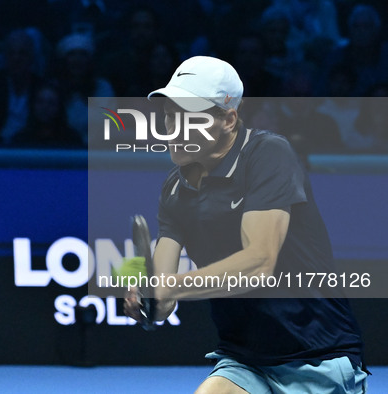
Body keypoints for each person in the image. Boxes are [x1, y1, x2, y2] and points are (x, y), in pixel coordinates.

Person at [123, 56, 367, 393]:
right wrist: (148, 299)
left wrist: (171, 286)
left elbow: (259, 263)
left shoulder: (268, 155)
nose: (172, 128)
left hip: (316, 358)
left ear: (228, 119)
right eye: (168, 115)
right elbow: (163, 298)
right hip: (244, 360)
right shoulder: (176, 188)